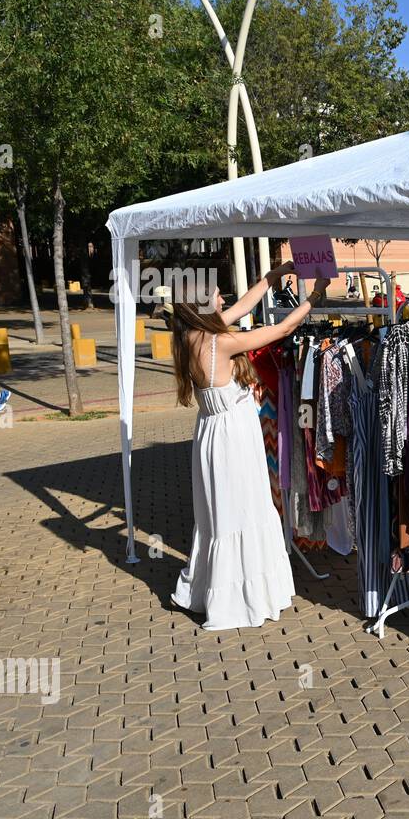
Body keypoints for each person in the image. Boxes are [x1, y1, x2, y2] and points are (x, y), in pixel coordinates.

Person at [169, 261, 326, 631]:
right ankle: (242, 596)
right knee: (244, 509)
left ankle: (217, 587)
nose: (223, 297)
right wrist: (316, 294)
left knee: (220, 515)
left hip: (210, 434)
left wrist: (274, 276)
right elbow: (283, 328)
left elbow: (246, 303)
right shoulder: (221, 342)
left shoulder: (190, 336)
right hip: (233, 438)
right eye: (215, 294)